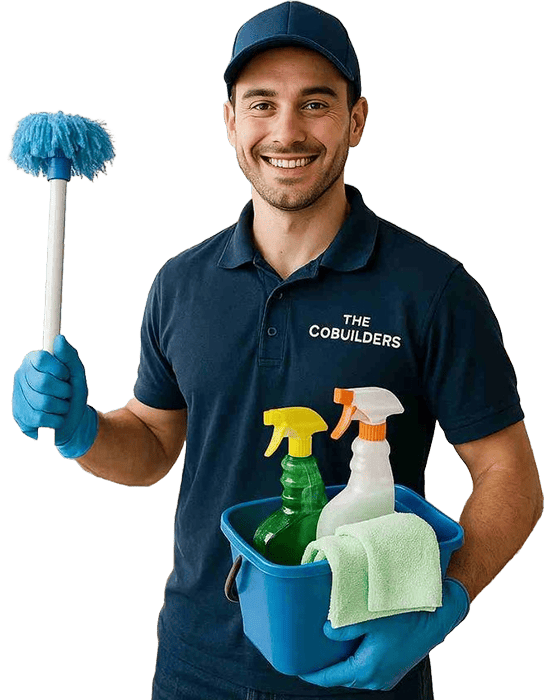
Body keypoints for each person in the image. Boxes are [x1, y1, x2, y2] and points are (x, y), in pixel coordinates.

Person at [11, 2, 543, 699]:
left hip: (360, 660)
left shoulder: (433, 290)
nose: (286, 131)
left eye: (315, 104)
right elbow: (153, 444)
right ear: (231, 121)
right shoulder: (180, 283)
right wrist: (82, 430)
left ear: (356, 120)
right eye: (262, 103)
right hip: (195, 666)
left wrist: (445, 600)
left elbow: (509, 475)